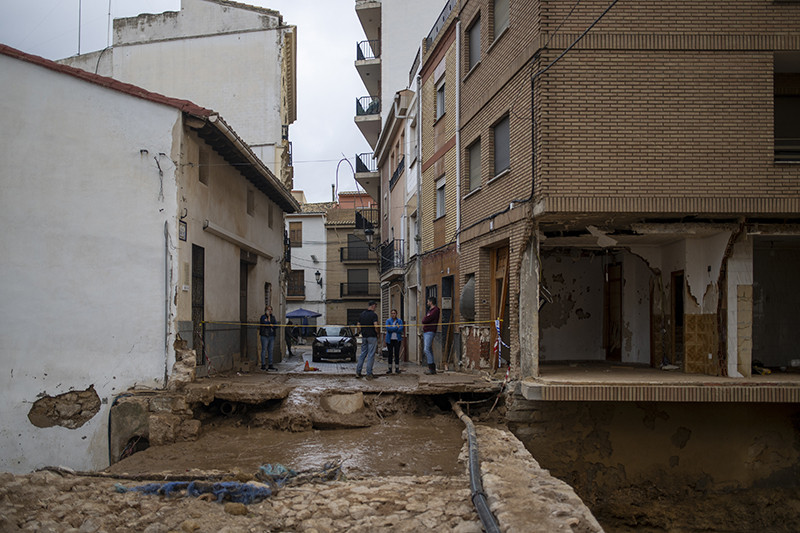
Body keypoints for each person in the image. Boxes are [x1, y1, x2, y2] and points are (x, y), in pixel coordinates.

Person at [356, 301, 380, 380]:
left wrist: (360, 332)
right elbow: (376, 325)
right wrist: (378, 333)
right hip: (372, 336)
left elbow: (358, 325)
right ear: (373, 306)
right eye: (375, 307)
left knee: (363, 354)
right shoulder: (374, 315)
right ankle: (369, 373)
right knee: (371, 355)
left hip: (364, 336)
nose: (375, 308)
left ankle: (358, 372)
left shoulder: (362, 314)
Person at [421, 297, 440, 375]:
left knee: (426, 349)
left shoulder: (435, 310)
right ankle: (432, 367)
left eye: (428, 301)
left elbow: (425, 320)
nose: (427, 303)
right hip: (427, 331)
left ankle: (431, 367)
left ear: (431, 302)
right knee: (429, 349)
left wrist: (425, 319)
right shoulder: (430, 310)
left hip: (430, 331)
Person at [384, 309, 404, 374]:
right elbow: (388, 329)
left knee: (396, 354)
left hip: (397, 339)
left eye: (394, 313)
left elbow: (400, 329)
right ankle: (389, 369)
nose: (393, 314)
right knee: (390, 354)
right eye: (392, 313)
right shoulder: (388, 321)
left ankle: (397, 368)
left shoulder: (399, 321)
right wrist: (396, 328)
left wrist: (393, 328)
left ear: (396, 314)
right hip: (389, 340)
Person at [259, 306, 277, 371]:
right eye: (268, 309)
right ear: (265, 310)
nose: (269, 311)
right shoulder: (263, 317)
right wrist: (269, 322)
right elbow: (266, 324)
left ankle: (270, 364)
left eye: (270, 309)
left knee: (270, 350)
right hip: (264, 335)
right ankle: (263, 365)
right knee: (264, 350)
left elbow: (276, 326)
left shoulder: (273, 317)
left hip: (272, 336)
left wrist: (270, 323)